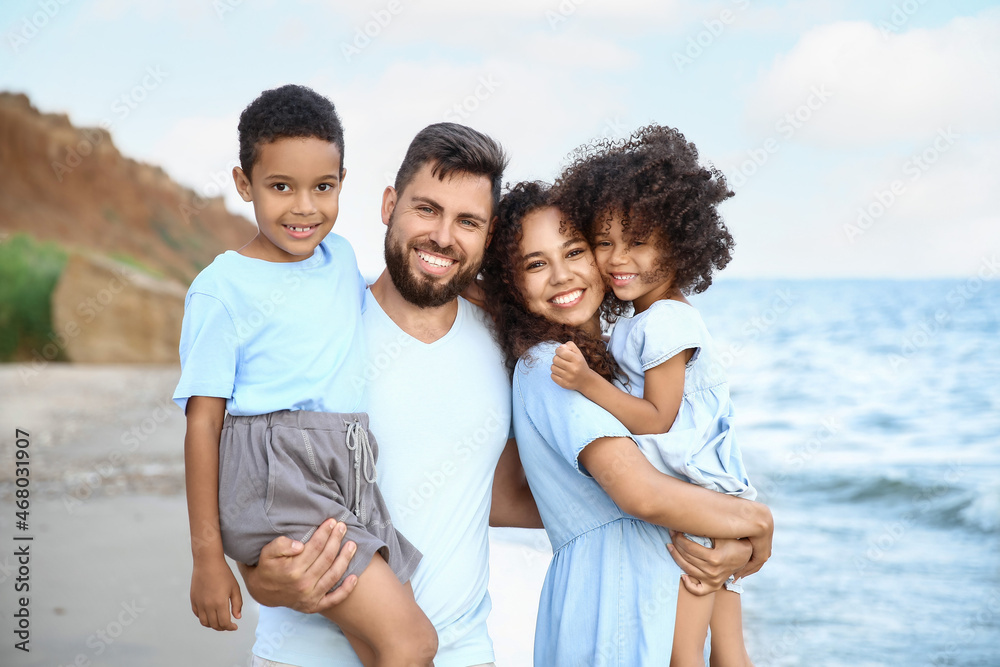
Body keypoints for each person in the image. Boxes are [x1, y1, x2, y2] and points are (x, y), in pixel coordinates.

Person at [238, 122, 543, 667]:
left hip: (462, 653)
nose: (444, 237)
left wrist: (675, 518)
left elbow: (499, 492)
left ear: (489, 235)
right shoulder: (319, 327)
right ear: (388, 205)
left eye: (466, 221)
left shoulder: (507, 342)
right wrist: (260, 575)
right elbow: (257, 473)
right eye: (427, 209)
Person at [173, 84, 435, 666]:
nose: (304, 207)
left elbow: (400, 294)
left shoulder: (339, 257)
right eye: (280, 187)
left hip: (347, 470)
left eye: (324, 187)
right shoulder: (223, 288)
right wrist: (207, 559)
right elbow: (202, 425)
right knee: (413, 642)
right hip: (278, 471)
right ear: (245, 184)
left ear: (343, 181)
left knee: (383, 642)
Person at [479, 180, 773, 666]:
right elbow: (641, 494)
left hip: (649, 581)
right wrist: (754, 522)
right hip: (612, 603)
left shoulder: (618, 360)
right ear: (512, 282)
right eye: (535, 263)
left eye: (574, 250)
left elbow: (512, 498)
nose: (560, 275)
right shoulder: (552, 366)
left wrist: (726, 539)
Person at [549, 125, 757, 666]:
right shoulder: (647, 317)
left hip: (696, 498)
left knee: (682, 653)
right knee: (729, 649)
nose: (619, 258)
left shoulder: (663, 323)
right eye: (603, 242)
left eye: (638, 241)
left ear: (681, 242)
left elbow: (660, 419)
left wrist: (587, 384)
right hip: (716, 493)